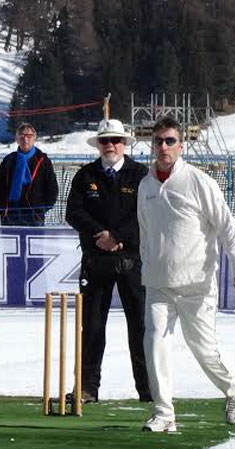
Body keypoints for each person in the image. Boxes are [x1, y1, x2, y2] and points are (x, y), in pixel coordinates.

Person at [137, 117, 235, 434]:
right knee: (154, 343)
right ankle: (163, 413)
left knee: (203, 350)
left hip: (196, 285)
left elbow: (227, 228)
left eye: (170, 141)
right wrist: (148, 265)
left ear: (181, 145)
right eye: (158, 141)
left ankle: (233, 387)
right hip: (158, 284)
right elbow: (145, 233)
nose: (163, 147)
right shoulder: (146, 185)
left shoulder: (199, 182)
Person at [65, 119, 151, 404]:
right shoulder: (85, 175)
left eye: (115, 140)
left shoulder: (140, 175)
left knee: (140, 326)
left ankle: (149, 389)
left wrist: (117, 236)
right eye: (105, 141)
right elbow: (73, 212)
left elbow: (147, 214)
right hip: (95, 261)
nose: (110, 145)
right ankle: (87, 388)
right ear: (98, 145)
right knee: (91, 327)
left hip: (132, 260)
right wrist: (98, 235)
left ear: (125, 143)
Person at [0, 122, 59, 226]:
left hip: (34, 213)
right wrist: (1, 208)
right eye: (22, 135)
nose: (25, 139)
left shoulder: (42, 160)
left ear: (34, 138)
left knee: (35, 242)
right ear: (17, 139)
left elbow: (52, 187)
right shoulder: (9, 160)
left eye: (29, 136)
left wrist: (42, 209)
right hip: (10, 213)